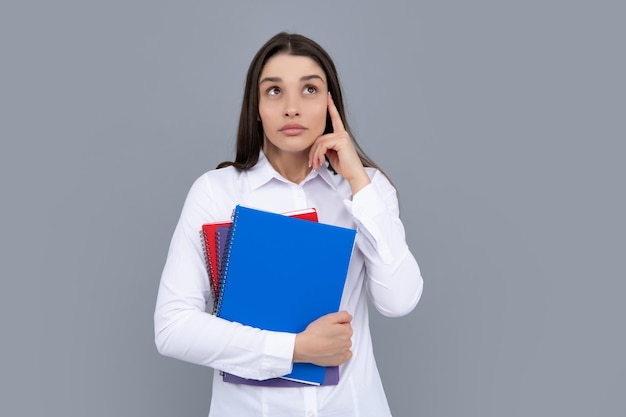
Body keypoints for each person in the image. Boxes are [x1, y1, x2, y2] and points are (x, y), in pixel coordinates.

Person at [154, 32, 423, 417]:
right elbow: (172, 327)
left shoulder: (367, 190)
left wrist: (358, 184)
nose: (292, 108)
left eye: (310, 90)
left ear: (332, 105)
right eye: (275, 91)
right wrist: (295, 349)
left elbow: (399, 301)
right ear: (257, 106)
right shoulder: (216, 193)